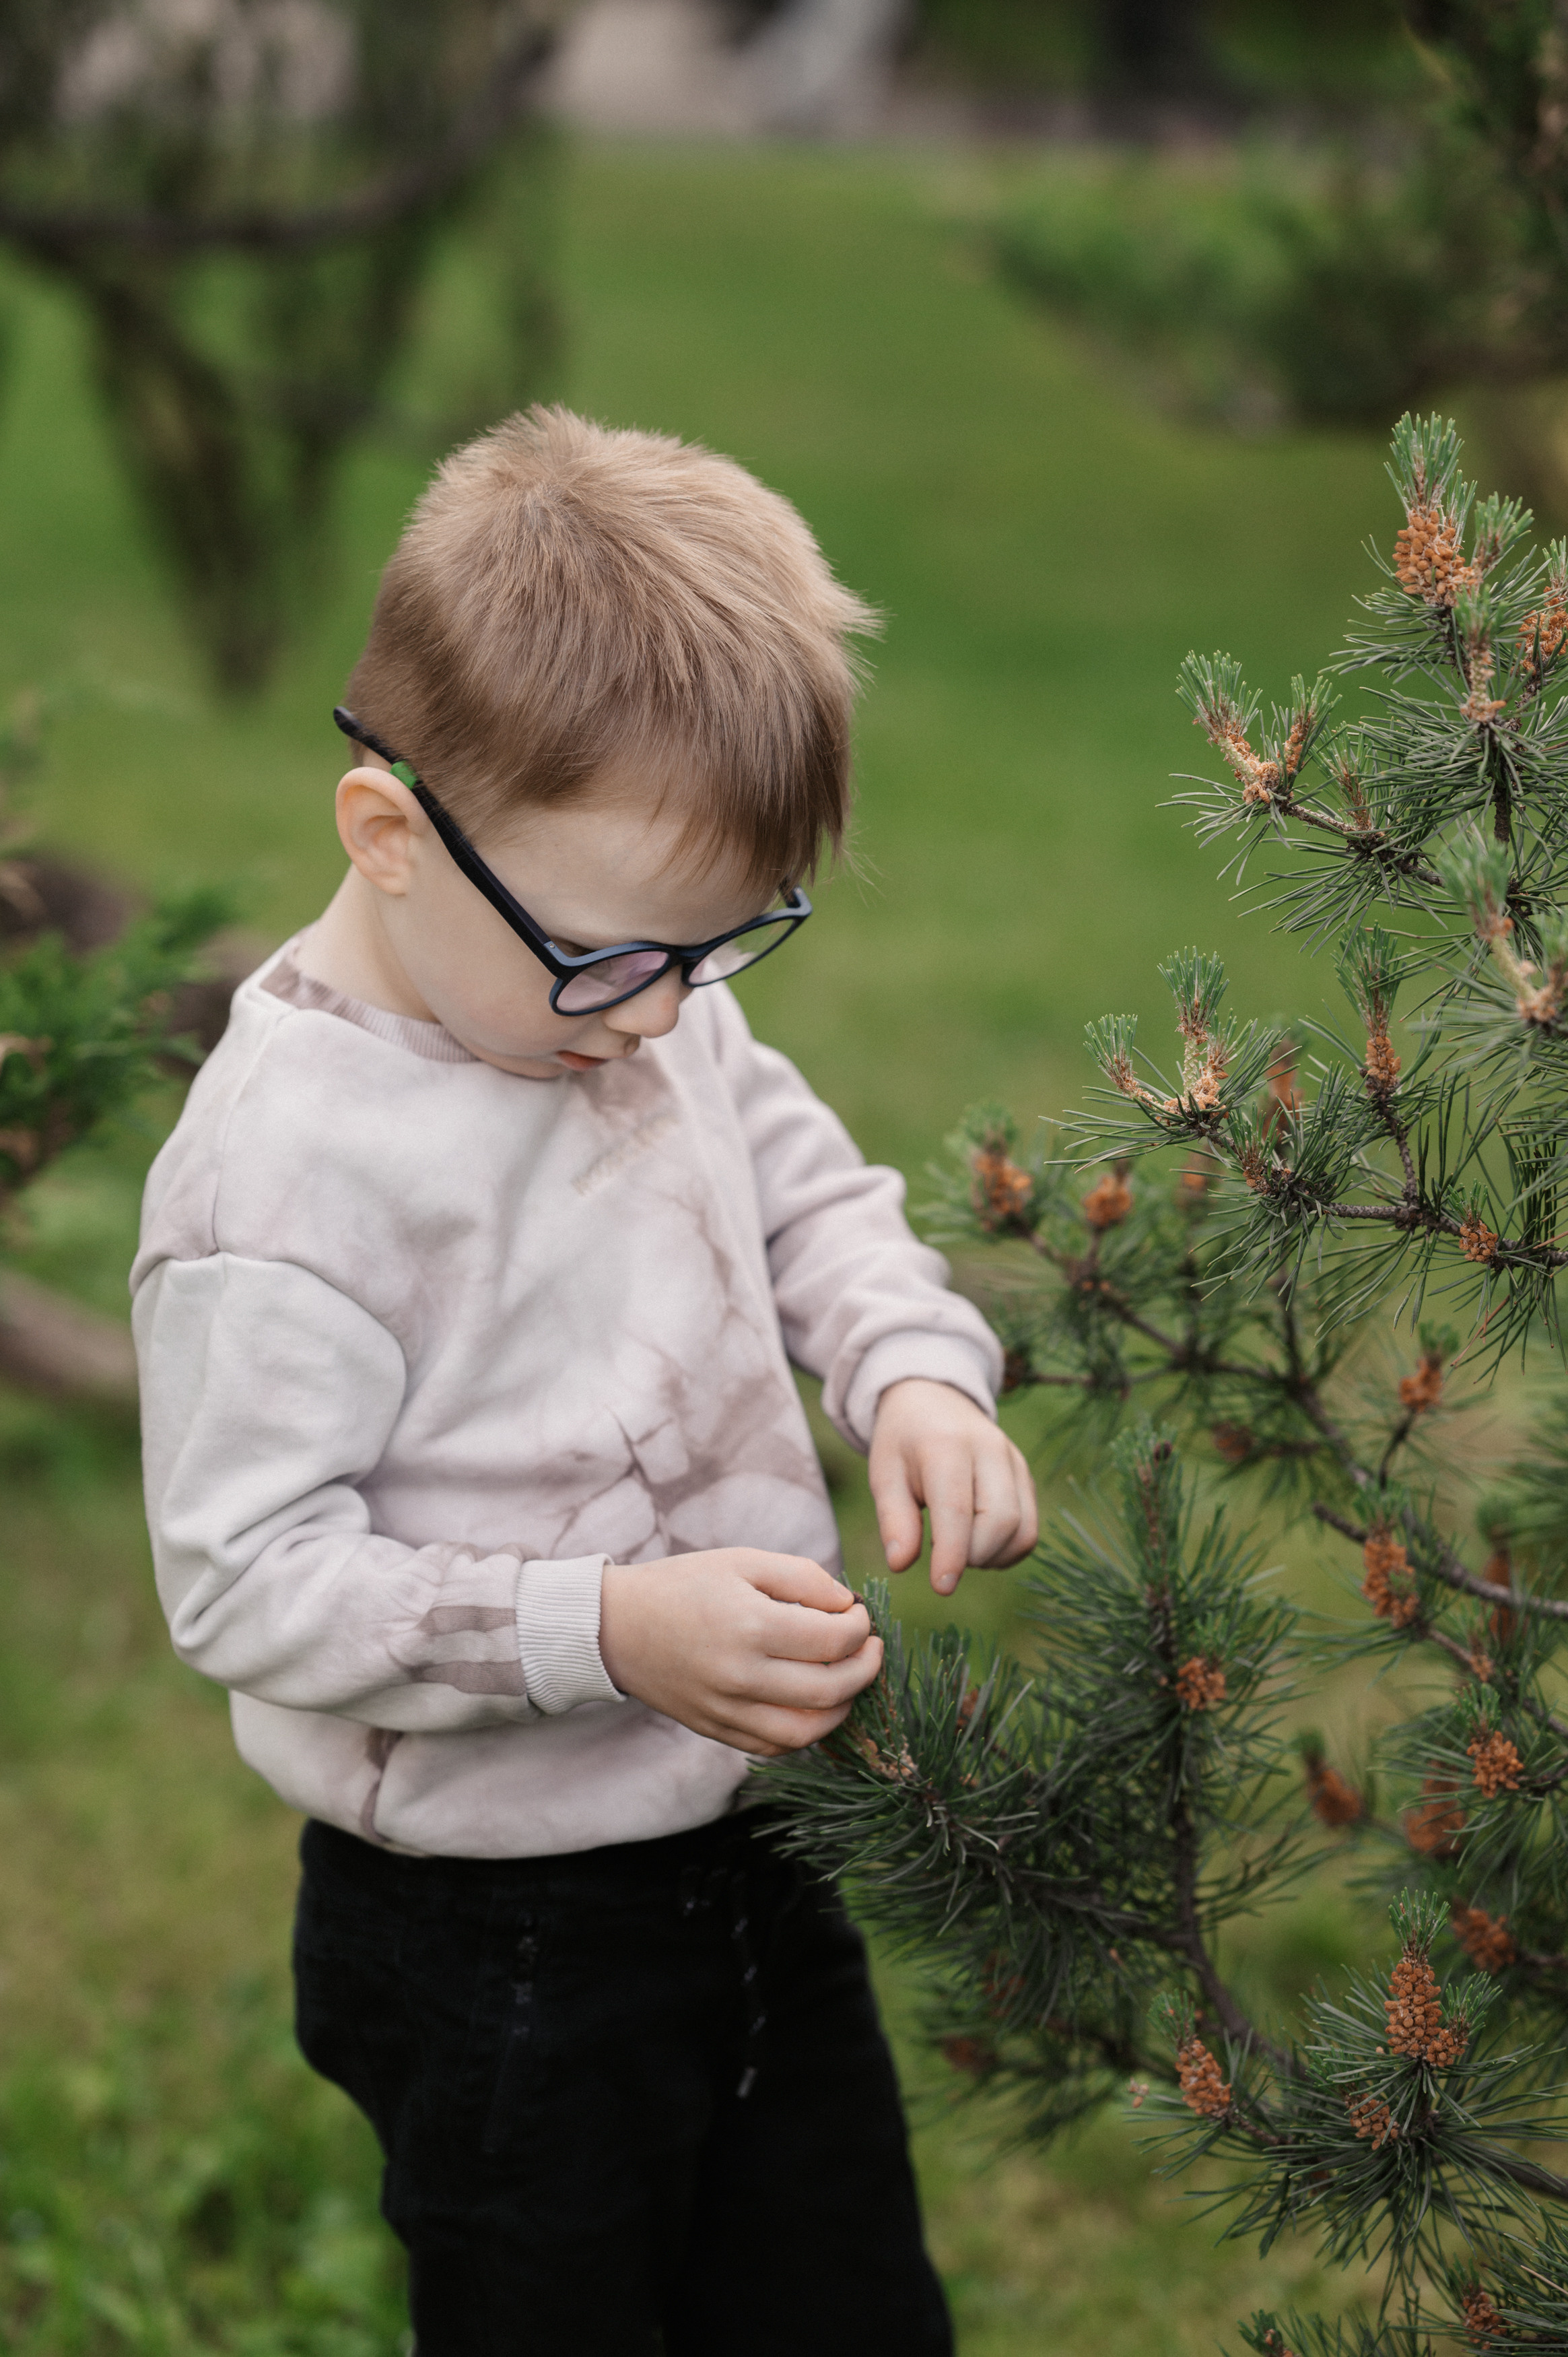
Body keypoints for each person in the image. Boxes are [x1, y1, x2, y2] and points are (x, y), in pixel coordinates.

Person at [132, 407, 1037, 2355]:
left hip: (754, 1824)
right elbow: (244, 1580)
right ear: (390, 834)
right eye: (615, 955)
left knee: (840, 2295)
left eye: (722, 950)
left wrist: (912, 1373)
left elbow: (805, 1190)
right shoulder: (285, 1185)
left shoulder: (631, 998)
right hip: (494, 1931)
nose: (664, 1014)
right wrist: (606, 1628)